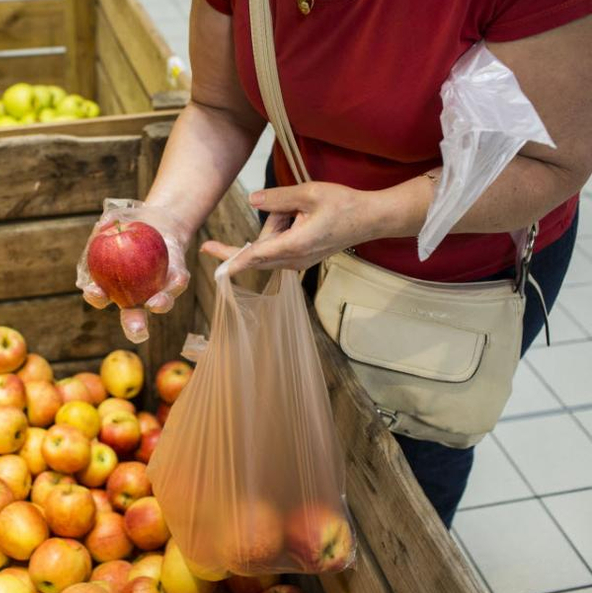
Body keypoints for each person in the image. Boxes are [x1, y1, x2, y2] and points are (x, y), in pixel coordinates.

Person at [80, 1, 592, 527]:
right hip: (298, 240)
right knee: (287, 437)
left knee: (403, 480)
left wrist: (369, 214)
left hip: (450, 283)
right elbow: (219, 109)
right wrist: (165, 221)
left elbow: (551, 164)